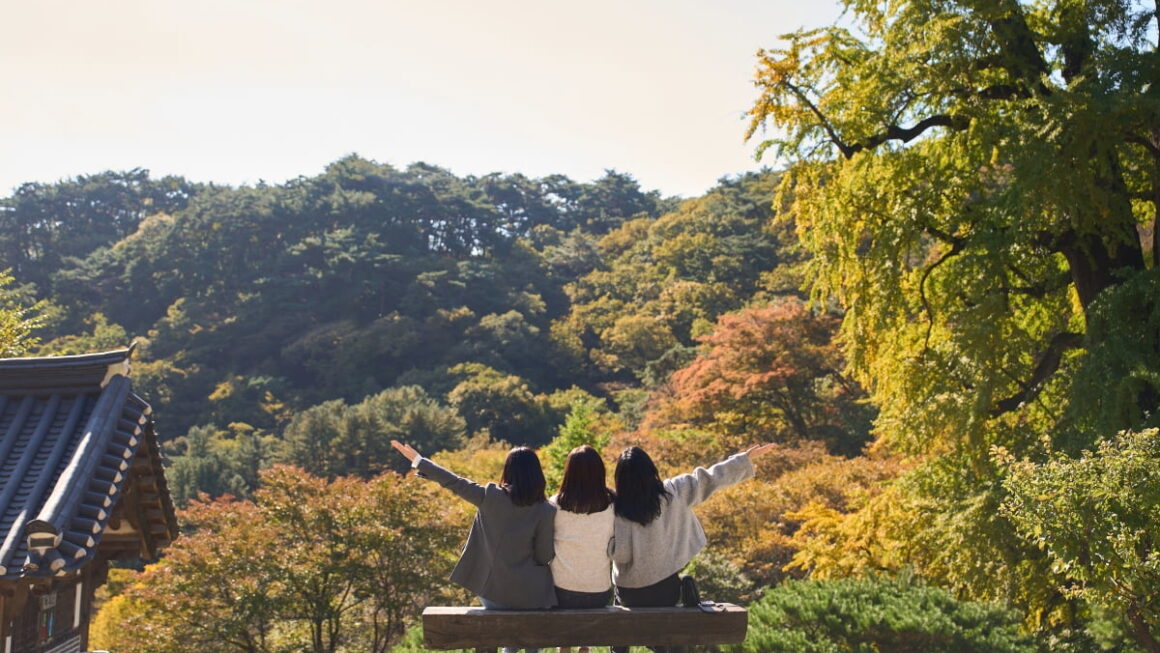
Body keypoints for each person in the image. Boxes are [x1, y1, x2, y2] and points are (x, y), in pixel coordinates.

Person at [608, 443, 776, 653]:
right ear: (651, 471)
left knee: (619, 600)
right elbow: (709, 478)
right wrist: (742, 459)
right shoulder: (673, 493)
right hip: (664, 589)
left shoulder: (615, 509)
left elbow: (619, 554)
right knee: (668, 632)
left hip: (628, 593)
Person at [391, 440, 555, 653]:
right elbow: (544, 557)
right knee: (529, 634)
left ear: (509, 471)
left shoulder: (491, 497)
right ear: (537, 474)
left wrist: (419, 461)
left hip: (493, 592)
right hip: (529, 595)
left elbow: (456, 482)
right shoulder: (545, 510)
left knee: (510, 629)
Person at [549, 445, 616, 653]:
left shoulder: (554, 505)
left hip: (561, 593)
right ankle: (584, 648)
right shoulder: (613, 505)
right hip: (598, 592)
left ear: (569, 473)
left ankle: (565, 649)